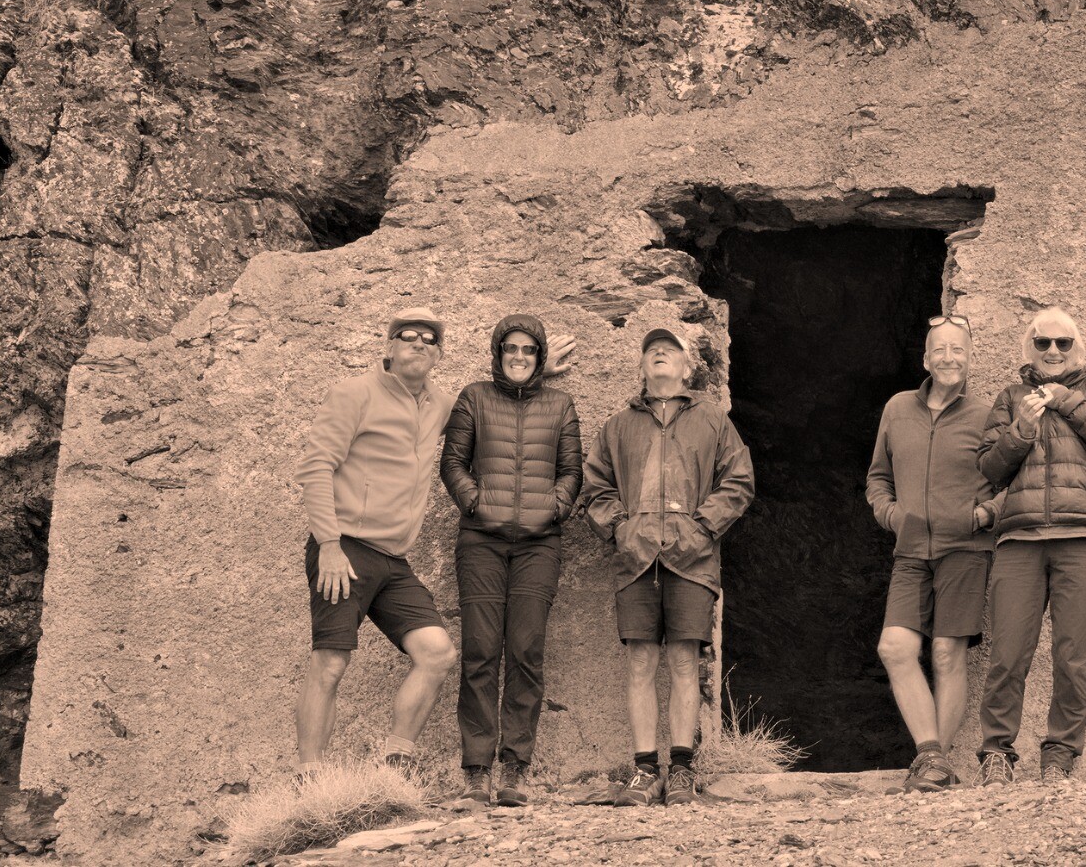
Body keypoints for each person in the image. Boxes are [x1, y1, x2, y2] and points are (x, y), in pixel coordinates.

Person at [580, 327, 755, 806]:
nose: (660, 354)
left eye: (670, 350)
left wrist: (700, 528)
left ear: (685, 368)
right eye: (651, 350)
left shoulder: (713, 420)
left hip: (692, 561)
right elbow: (595, 487)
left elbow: (738, 482)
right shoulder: (617, 426)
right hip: (636, 559)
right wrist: (621, 529)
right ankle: (643, 770)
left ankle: (680, 769)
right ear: (642, 368)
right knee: (640, 661)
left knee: (682, 660)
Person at [292, 307, 459, 777]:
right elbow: (316, 467)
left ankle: (394, 765)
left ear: (438, 354)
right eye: (407, 335)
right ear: (388, 346)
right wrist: (327, 543)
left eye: (430, 339)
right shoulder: (354, 393)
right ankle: (311, 778)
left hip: (393, 561)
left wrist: (529, 368)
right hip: (343, 550)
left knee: (437, 653)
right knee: (330, 663)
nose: (419, 343)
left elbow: (483, 401)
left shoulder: (439, 406)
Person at [974, 307, 1086, 784]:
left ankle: (1060, 755)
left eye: (1063, 343)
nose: (1053, 352)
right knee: (1008, 653)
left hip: (1084, 537)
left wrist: (1066, 401)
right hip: (1020, 538)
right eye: (1043, 343)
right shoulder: (1009, 397)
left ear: (1076, 347)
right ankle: (997, 752)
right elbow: (989, 468)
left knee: (1072, 656)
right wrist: (1022, 426)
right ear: (1030, 349)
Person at [440, 314, 583, 806]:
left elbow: (572, 472)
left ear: (539, 357)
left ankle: (514, 769)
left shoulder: (560, 404)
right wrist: (475, 502)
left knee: (526, 650)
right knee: (480, 650)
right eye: (510, 350)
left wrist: (555, 508)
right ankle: (477, 770)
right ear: (498, 354)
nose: (518, 357)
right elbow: (452, 462)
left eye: (528, 350)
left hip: (539, 546)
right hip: (480, 542)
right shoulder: (475, 397)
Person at [866, 314, 994, 792]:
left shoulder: (986, 415)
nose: (948, 357)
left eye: (957, 349)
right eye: (939, 349)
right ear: (925, 359)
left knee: (946, 652)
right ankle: (933, 756)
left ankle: (933, 766)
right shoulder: (897, 408)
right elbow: (878, 476)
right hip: (911, 550)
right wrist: (893, 516)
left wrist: (983, 515)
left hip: (967, 548)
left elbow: (1010, 482)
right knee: (895, 648)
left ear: (969, 358)